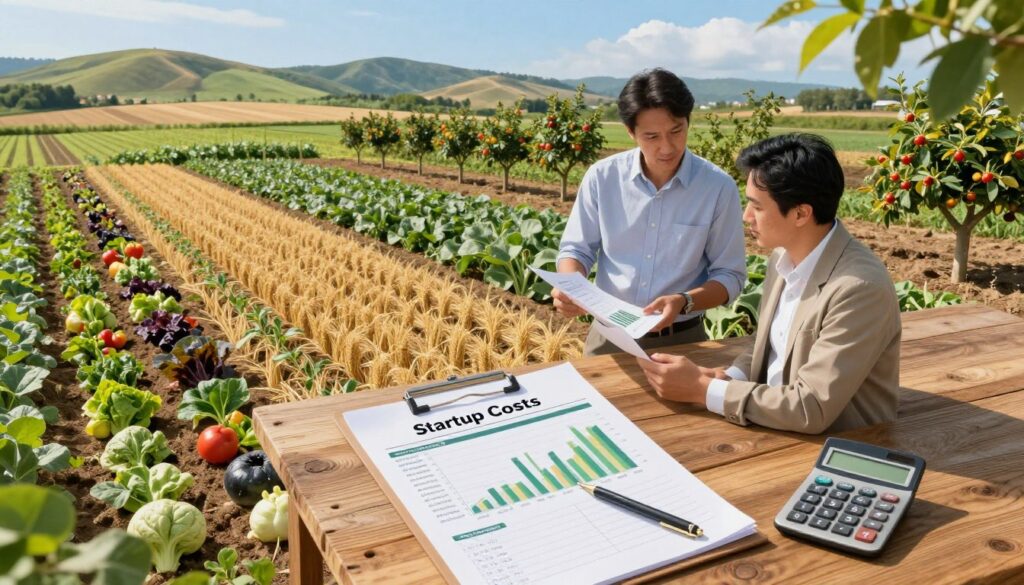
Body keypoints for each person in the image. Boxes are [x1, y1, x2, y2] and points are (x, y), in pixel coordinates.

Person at [637, 133, 900, 434]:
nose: (746, 216)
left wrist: (702, 390)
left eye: (757, 207)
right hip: (778, 427)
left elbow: (810, 407)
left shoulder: (859, 288)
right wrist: (728, 379)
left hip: (842, 447)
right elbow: (769, 344)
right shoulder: (782, 258)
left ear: (801, 213)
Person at [555, 68, 746, 355]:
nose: (667, 147)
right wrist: (572, 286)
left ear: (688, 122)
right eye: (652, 136)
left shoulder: (717, 187)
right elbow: (576, 249)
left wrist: (684, 302)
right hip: (609, 339)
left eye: (676, 131)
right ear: (631, 132)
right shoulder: (602, 177)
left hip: (684, 341)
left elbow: (730, 275)